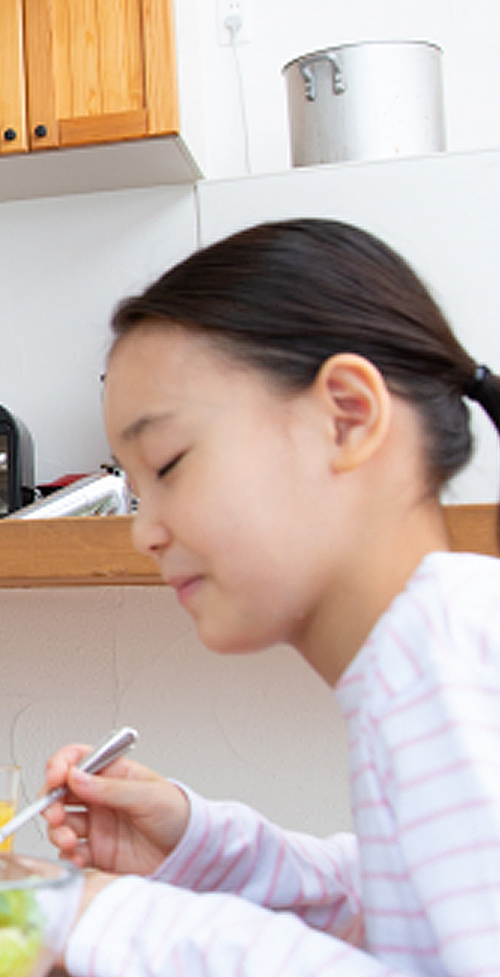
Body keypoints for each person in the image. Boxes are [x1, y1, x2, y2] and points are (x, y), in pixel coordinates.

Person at [39, 219, 500, 976]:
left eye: (170, 462)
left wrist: (108, 920)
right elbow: (404, 906)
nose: (144, 532)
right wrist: (201, 847)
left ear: (347, 416)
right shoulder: (433, 645)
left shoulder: (446, 658)